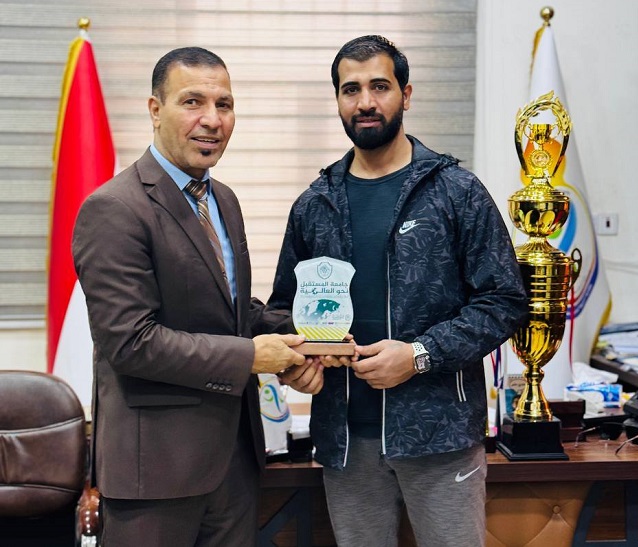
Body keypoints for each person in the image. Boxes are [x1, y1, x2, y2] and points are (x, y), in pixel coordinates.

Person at [268, 35, 529, 547]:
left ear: (405, 94)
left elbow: (503, 300)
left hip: (440, 436)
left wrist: (419, 355)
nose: (365, 101)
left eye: (380, 86)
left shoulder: (457, 192)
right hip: (346, 440)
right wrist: (295, 361)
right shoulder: (314, 204)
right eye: (351, 89)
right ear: (338, 100)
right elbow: (284, 309)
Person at [72, 47, 308, 547]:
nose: (212, 120)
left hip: (235, 464)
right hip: (154, 473)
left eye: (224, 104)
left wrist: (305, 335)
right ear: (155, 110)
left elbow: (229, 310)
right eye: (193, 102)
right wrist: (250, 357)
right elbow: (131, 342)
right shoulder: (114, 208)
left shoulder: (224, 200)